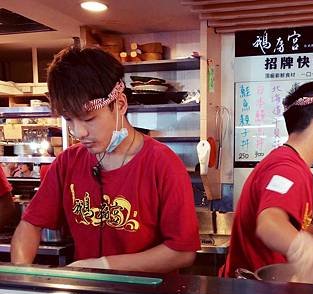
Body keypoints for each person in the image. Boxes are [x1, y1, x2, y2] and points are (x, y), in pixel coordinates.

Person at [11, 46, 200, 273]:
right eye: (69, 120)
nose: (78, 132)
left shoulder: (162, 164)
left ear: (119, 105)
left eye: (89, 119)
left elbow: (181, 252)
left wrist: (104, 265)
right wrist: (23, 276)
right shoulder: (67, 162)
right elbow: (30, 224)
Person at [221, 81, 313, 284]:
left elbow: (289, 225)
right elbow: (270, 224)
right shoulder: (288, 169)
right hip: (255, 292)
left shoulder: (286, 162)